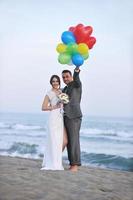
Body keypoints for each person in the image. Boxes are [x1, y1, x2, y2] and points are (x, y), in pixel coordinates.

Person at [41, 75, 68, 170]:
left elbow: (65, 102)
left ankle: (56, 160)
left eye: (57, 81)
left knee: (64, 141)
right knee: (53, 141)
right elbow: (43, 107)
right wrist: (55, 107)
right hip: (53, 118)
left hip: (60, 118)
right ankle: (53, 162)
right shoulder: (49, 93)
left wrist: (63, 103)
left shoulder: (61, 91)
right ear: (51, 82)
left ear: (59, 82)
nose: (55, 83)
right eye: (53, 81)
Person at [62, 67, 82, 172]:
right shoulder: (64, 89)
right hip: (65, 117)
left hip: (74, 116)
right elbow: (64, 102)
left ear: (71, 77)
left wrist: (76, 71)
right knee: (69, 142)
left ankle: (75, 165)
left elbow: (77, 79)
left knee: (74, 141)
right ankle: (72, 164)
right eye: (63, 77)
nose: (65, 78)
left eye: (67, 76)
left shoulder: (76, 84)